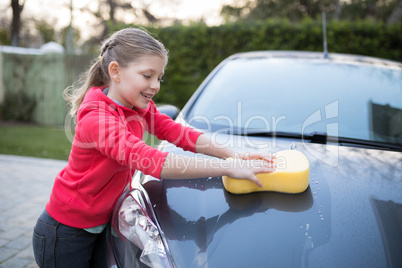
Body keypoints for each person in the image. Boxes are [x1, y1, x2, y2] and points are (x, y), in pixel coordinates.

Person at [32, 27, 275, 268]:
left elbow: (179, 133)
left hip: (99, 223)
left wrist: (234, 154)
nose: (156, 85)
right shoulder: (97, 118)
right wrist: (227, 168)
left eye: (159, 77)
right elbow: (151, 160)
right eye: (147, 76)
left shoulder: (137, 107)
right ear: (115, 71)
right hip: (65, 233)